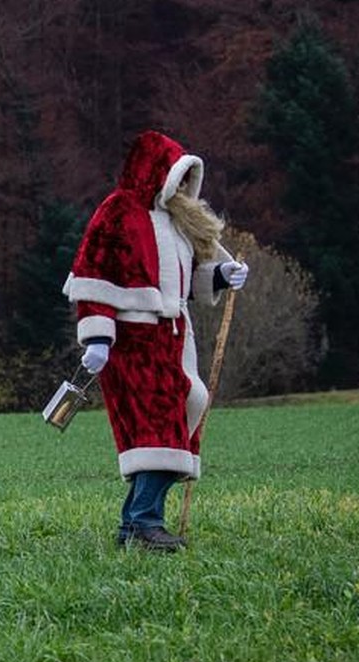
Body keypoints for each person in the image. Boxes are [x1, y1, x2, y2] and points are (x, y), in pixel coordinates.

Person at [62, 130, 249, 552]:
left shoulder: (174, 222)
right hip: (133, 342)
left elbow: (180, 282)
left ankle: (135, 523)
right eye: (178, 177)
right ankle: (145, 522)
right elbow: (93, 275)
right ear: (158, 173)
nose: (184, 188)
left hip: (174, 339)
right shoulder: (117, 213)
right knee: (157, 426)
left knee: (188, 406)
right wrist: (97, 337)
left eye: (188, 180)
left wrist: (221, 275)